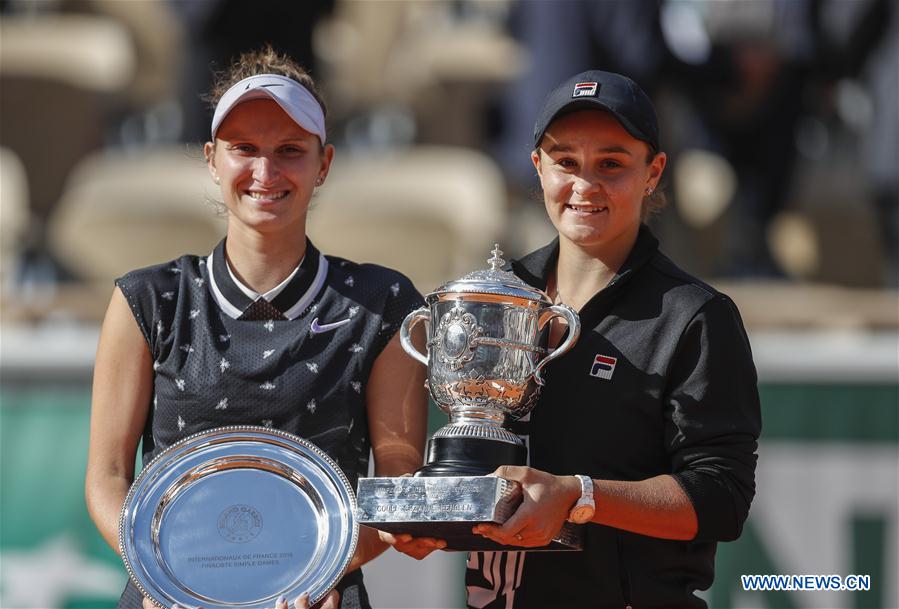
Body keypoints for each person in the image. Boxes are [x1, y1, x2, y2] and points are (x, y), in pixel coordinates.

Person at [390, 70, 762, 609]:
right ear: (538, 167)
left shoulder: (695, 317)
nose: (584, 185)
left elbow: (721, 497)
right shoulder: (497, 297)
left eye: (611, 164)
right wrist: (434, 516)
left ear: (653, 173)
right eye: (565, 161)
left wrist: (579, 496)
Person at [84, 46, 428, 609]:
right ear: (211, 158)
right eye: (244, 149)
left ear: (325, 164)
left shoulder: (384, 302)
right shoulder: (145, 298)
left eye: (290, 151)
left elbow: (397, 479)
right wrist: (168, 574)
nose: (265, 172)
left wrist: (308, 579)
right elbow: (108, 476)